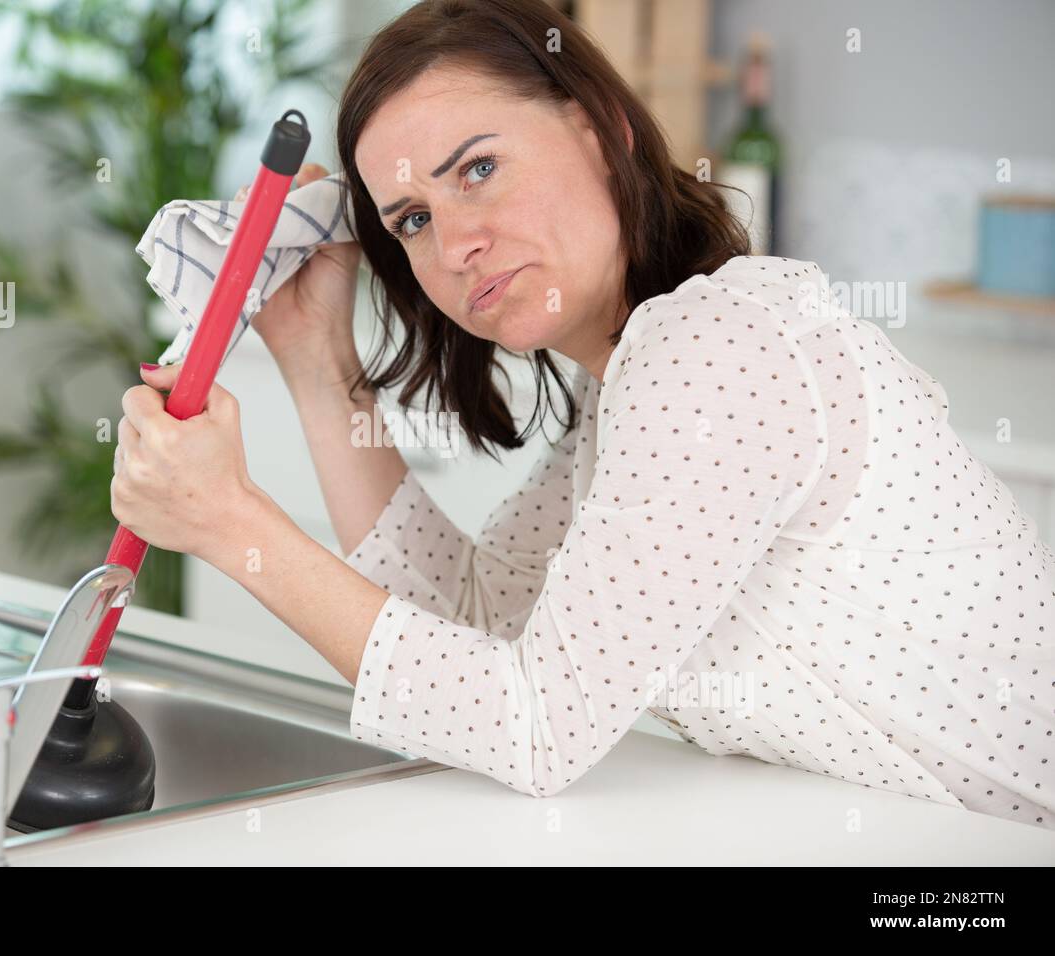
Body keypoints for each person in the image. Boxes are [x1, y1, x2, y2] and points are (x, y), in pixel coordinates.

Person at [110, 0, 1054, 829]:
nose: (459, 245)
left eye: (477, 169)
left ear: (602, 129)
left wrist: (231, 526)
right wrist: (319, 360)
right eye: (412, 220)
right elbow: (477, 620)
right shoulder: (630, 385)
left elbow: (535, 727)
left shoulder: (717, 350)